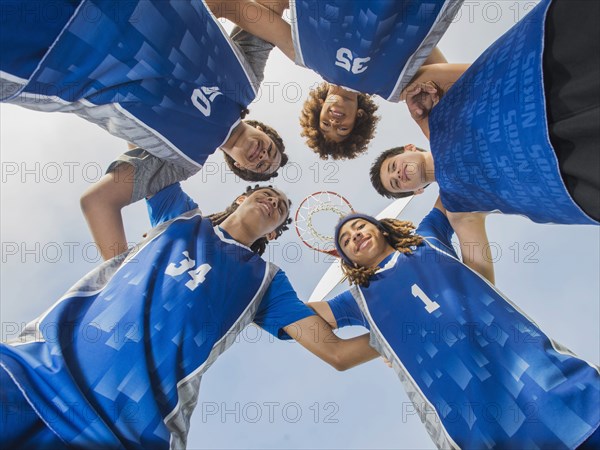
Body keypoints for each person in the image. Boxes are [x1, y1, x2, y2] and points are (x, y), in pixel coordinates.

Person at [0, 182, 379, 449]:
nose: (273, 202)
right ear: (241, 197)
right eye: (267, 193)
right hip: (32, 372)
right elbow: (153, 144)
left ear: (276, 233)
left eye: (280, 208)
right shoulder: (180, 215)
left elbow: (336, 353)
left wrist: (407, 325)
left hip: (124, 434)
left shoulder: (266, 284)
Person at [307, 201, 600, 449]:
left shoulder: (427, 238)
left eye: (358, 227)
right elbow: (301, 316)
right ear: (348, 261)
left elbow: (450, 189)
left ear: (381, 227)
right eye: (345, 242)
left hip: (538, 374)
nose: (354, 236)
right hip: (475, 422)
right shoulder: (359, 299)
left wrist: (420, 165)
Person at [0, 0, 286, 181]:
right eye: (270, 150)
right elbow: (266, 5)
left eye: (261, 166)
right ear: (263, 129)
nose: (262, 156)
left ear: (235, 164)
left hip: (48, 64)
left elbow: (108, 194)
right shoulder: (244, 83)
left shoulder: (182, 161)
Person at [371, 0, 599, 224]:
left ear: (408, 148)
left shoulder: (436, 112)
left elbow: (429, 48)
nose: (398, 175)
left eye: (392, 167)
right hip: (570, 171)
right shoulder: (456, 204)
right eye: (396, 183)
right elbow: (475, 261)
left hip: (551, 82)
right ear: (418, 191)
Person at [216, 0, 459, 159]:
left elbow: (239, 9)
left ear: (319, 110)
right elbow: (454, 77)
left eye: (326, 125)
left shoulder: (305, 54)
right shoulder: (394, 87)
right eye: (342, 128)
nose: (334, 121)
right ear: (358, 118)